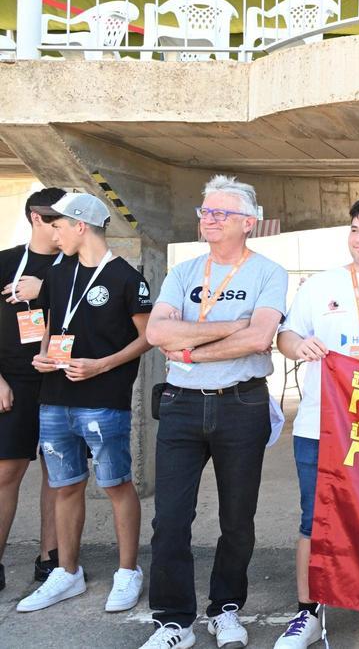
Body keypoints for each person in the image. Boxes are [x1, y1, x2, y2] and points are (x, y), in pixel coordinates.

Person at [141, 176, 289, 649]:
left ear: (248, 223)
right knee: (169, 518)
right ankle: (173, 621)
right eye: (205, 211)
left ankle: (226, 609)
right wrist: (230, 328)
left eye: (220, 213)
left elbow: (258, 338)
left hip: (241, 404)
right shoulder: (185, 271)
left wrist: (190, 349)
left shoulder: (268, 271)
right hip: (181, 406)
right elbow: (157, 334)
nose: (208, 218)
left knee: (237, 518)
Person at [273, 200, 359, 648]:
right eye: (355, 229)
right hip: (321, 422)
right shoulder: (321, 285)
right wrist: (299, 346)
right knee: (313, 519)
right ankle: (308, 612)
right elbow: (285, 335)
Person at [15, 193, 152, 614]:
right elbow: (53, 324)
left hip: (103, 399)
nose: (52, 235)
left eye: (57, 227)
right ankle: (67, 571)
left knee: (114, 484)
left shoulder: (127, 278)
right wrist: (43, 354)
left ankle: (128, 572)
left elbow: (149, 337)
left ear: (80, 226)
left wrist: (102, 365)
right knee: (64, 485)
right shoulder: (59, 275)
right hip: (55, 397)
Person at [0, 187, 65, 593]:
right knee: (7, 470)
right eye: (55, 217)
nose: (64, 225)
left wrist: (45, 290)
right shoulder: (6, 262)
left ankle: (51, 558)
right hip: (14, 380)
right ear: (36, 218)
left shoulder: (75, 267)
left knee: (59, 474)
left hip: (61, 378)